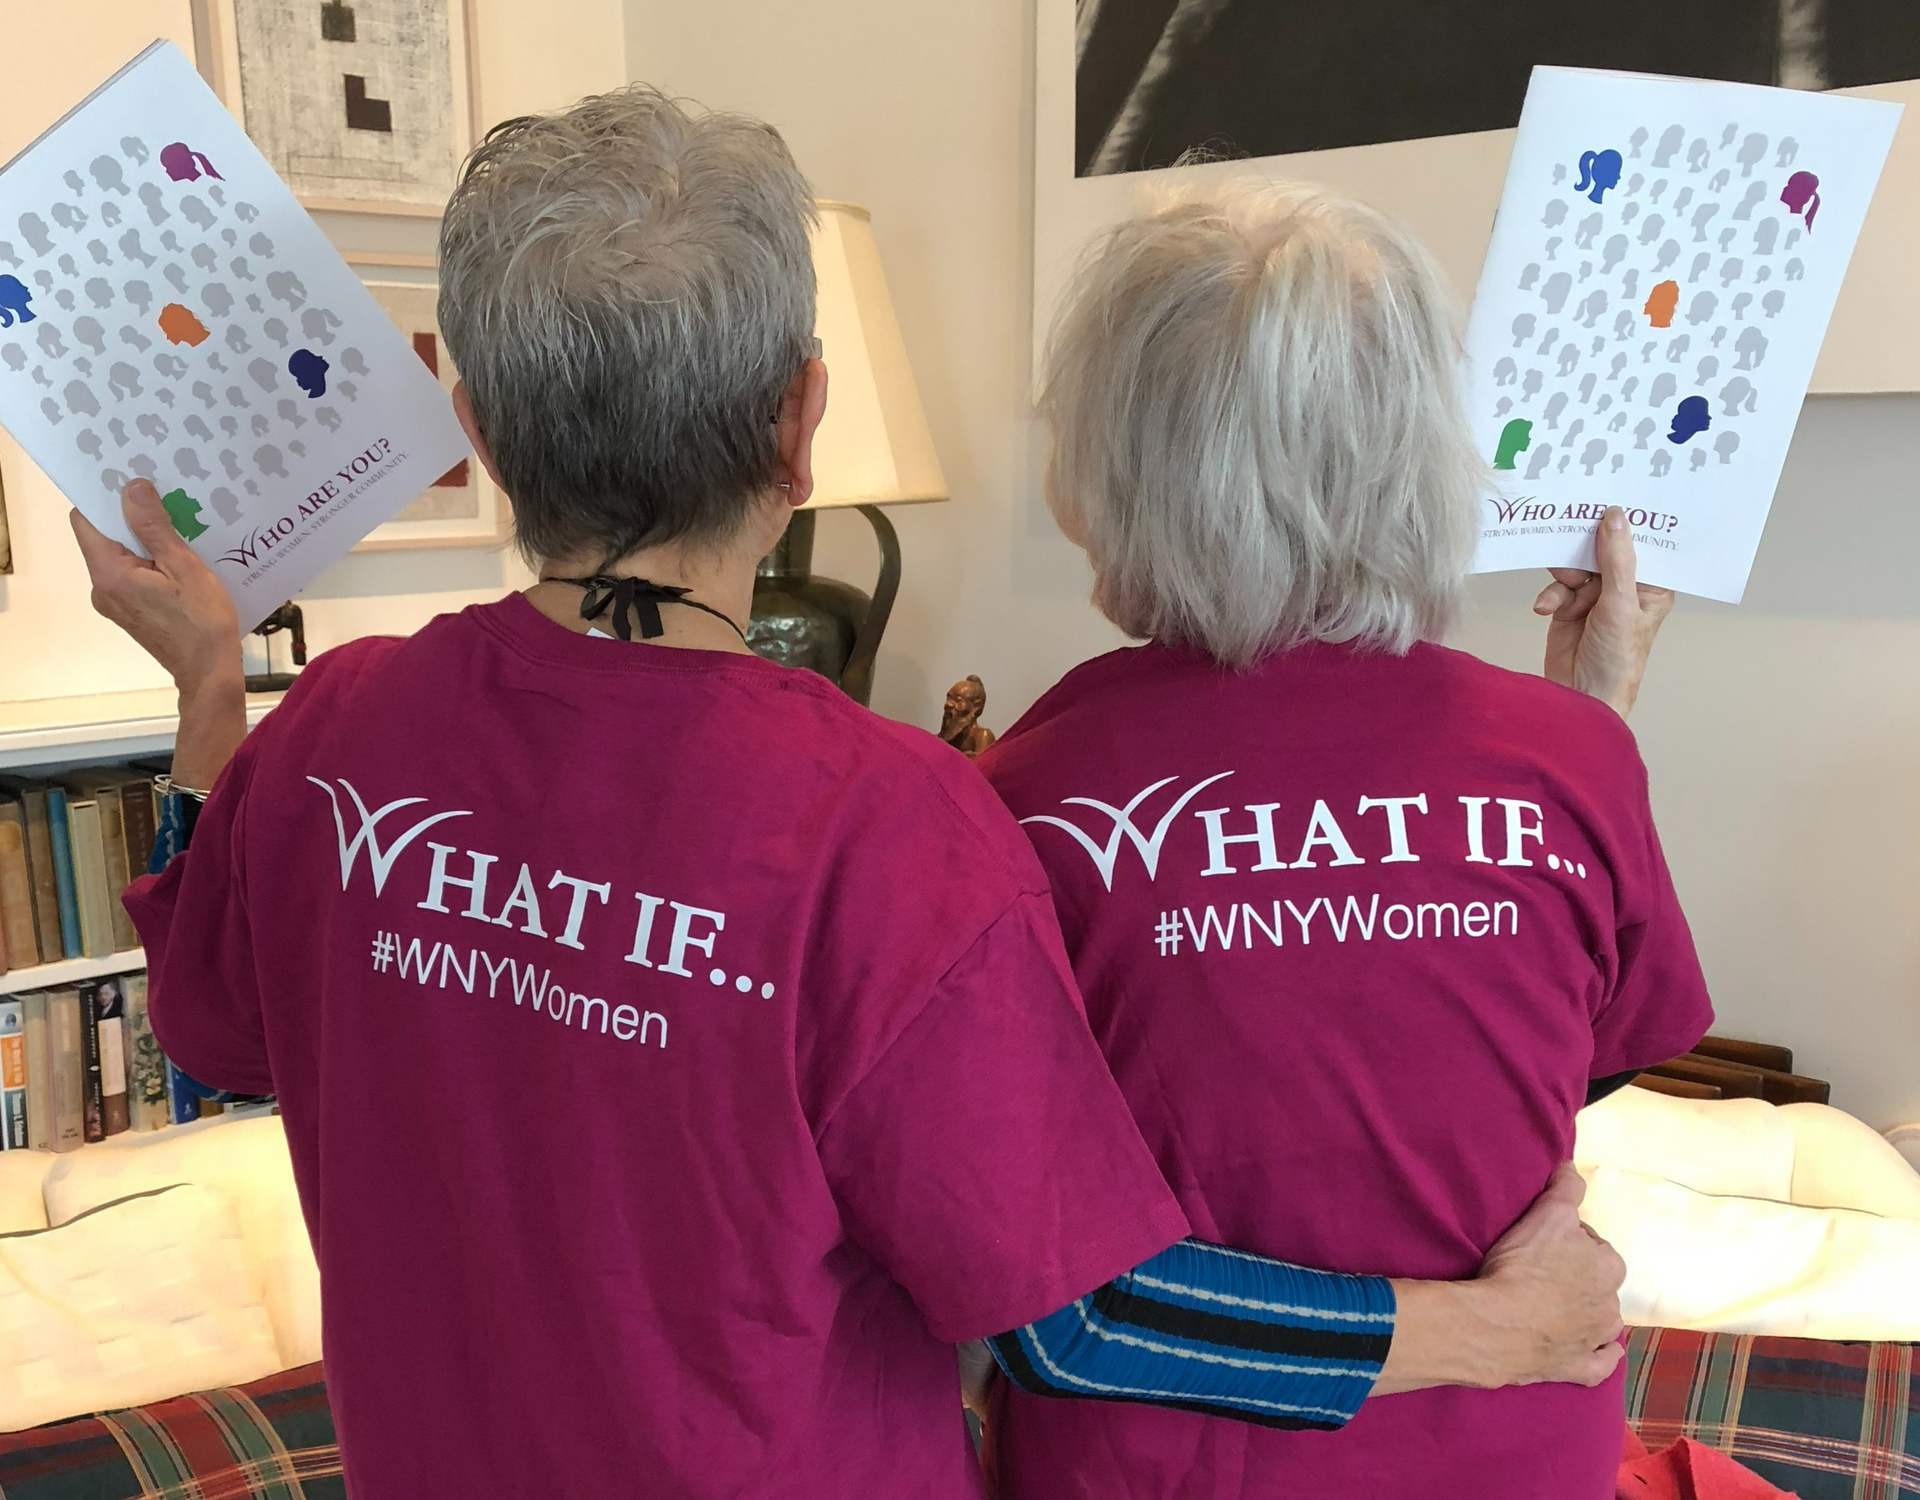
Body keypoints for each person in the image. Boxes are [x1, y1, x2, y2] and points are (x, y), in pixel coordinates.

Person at [73, 91, 1638, 1498]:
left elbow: (205, 1031)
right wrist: (1490, 1329)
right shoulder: (888, 824)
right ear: (801, 420)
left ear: (475, 431)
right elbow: (1074, 1323)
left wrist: (209, 690)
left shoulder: (331, 734)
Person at [974, 181, 1704, 1498]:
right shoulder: (1570, 757)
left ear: (1117, 462)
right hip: (1512, 1449)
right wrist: (1583, 725)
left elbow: (1035, 1271)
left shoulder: (1030, 792)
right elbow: (1549, 1066)